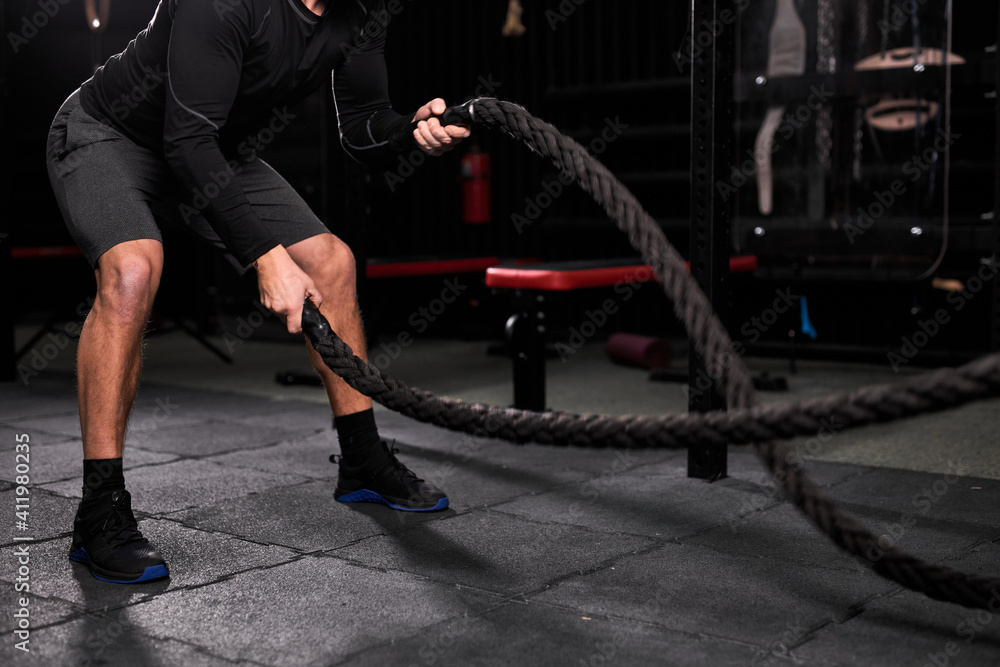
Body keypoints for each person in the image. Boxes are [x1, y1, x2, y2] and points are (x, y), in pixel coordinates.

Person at [45, 0, 470, 584]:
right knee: (134, 271)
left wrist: (409, 131)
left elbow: (365, 124)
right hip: (111, 134)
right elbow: (186, 139)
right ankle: (99, 509)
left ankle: (363, 459)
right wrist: (267, 260)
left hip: (211, 151)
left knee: (332, 263)